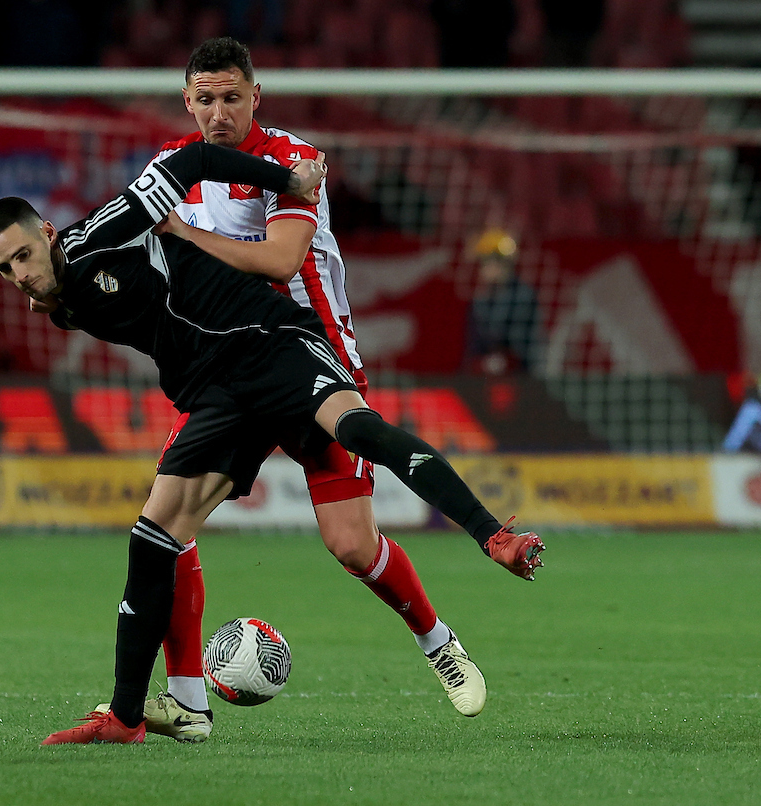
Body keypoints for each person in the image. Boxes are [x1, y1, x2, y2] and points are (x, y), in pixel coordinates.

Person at [0, 141, 544, 745]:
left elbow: (192, 165)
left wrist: (286, 181)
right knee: (154, 534)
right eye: (5, 268)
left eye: (24, 255)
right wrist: (57, 299)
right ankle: (132, 716)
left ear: (47, 229)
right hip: (217, 392)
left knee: (355, 475)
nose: (21, 274)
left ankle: (489, 545)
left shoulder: (104, 233)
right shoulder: (60, 302)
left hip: (268, 342)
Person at [78, 36, 520, 744]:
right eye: (204, 100)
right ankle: (188, 702)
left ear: (256, 96)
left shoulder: (290, 161)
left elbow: (280, 259)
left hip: (308, 353)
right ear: (186, 102)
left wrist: (181, 235)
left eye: (231, 98)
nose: (218, 114)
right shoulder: (169, 168)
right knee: (169, 523)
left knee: (350, 545)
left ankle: (438, 643)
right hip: (226, 366)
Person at [464, 228, 542, 375]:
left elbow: (523, 346)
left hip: (523, 373)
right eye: (484, 263)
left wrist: (503, 360)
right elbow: (474, 346)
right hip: (487, 375)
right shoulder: (479, 302)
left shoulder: (523, 297)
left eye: (493, 262)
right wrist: (483, 362)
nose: (487, 269)